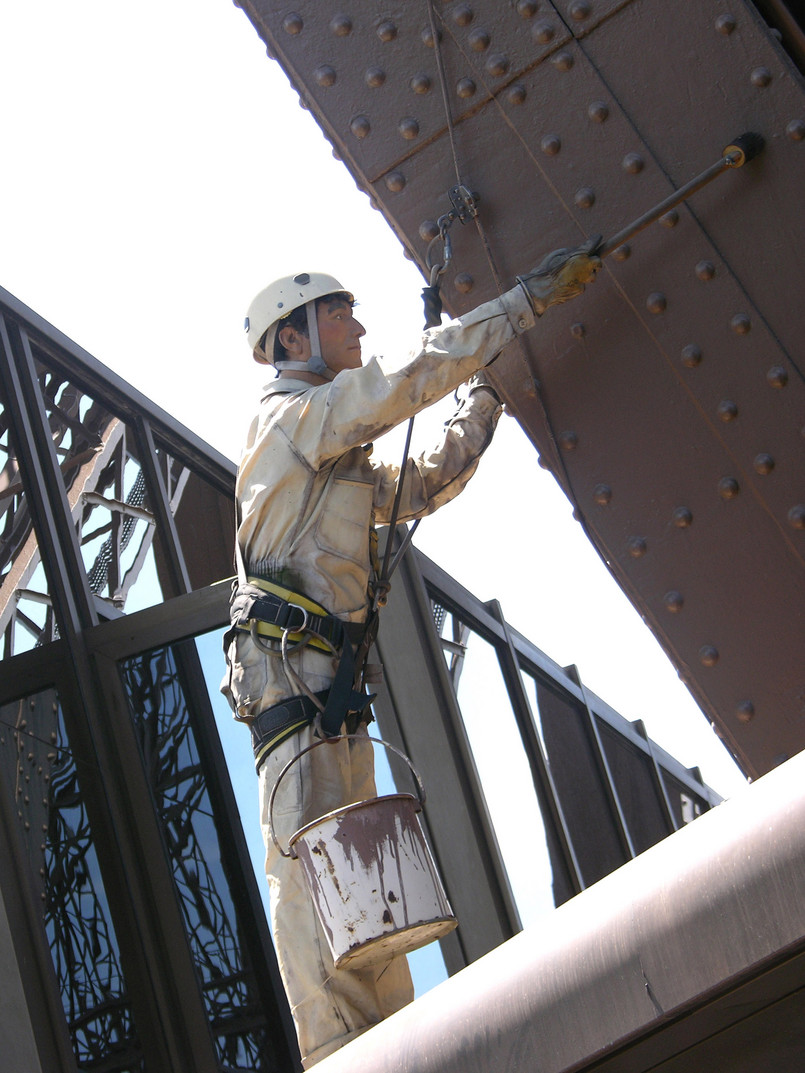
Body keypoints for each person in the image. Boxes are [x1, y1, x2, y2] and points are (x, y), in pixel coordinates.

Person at [222, 246, 599, 1067]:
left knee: (362, 880)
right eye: (338, 313)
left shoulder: (334, 454)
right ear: (291, 341)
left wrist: (486, 395)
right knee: (315, 875)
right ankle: (340, 1055)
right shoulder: (289, 422)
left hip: (328, 693)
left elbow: (425, 480)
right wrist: (520, 303)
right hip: (297, 688)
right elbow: (395, 387)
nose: (356, 325)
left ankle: (389, 1046)